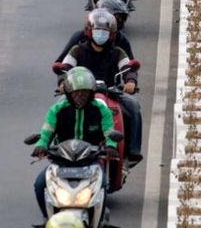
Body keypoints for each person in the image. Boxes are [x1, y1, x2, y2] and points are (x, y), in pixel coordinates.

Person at [31, 67, 117, 220]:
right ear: (68, 93)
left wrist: (111, 146)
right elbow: (46, 132)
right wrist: (41, 145)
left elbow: (110, 132)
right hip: (61, 161)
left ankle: (100, 220)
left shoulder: (101, 109)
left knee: (102, 185)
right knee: (39, 184)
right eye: (76, 93)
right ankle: (48, 218)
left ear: (91, 92)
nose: (80, 96)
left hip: (91, 161)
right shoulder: (57, 110)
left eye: (84, 92)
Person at [59, 10, 143, 166]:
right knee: (59, 106)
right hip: (80, 92)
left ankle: (133, 149)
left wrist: (131, 82)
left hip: (111, 93)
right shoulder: (77, 50)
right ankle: (57, 145)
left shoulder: (118, 52)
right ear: (89, 31)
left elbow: (129, 69)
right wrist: (62, 83)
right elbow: (65, 68)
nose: (101, 35)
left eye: (105, 31)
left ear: (112, 34)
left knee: (133, 105)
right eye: (97, 31)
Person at [55, 0, 134, 62]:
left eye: (120, 18)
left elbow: (131, 65)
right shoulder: (79, 36)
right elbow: (61, 63)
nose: (118, 21)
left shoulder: (121, 39)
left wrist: (131, 79)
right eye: (116, 17)